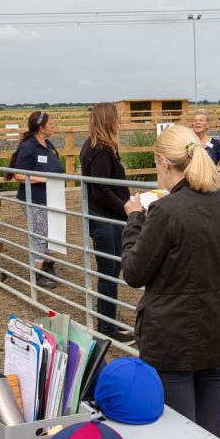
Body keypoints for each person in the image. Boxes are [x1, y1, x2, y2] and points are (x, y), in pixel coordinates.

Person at [121, 124, 220, 439]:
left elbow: (133, 272)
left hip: (171, 340)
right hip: (218, 331)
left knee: (180, 437)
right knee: (213, 432)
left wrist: (134, 219)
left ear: (164, 163)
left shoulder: (165, 211)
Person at [79, 103, 134, 342]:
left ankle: (107, 322)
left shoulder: (92, 146)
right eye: (117, 118)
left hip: (103, 217)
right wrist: (125, 207)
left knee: (109, 272)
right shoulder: (101, 150)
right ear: (109, 121)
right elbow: (101, 189)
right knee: (110, 273)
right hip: (107, 220)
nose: (119, 122)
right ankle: (107, 328)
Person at [7, 110, 64, 289]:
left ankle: (48, 265)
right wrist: (42, 179)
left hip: (52, 196)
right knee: (40, 232)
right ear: (41, 128)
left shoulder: (48, 145)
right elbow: (18, 175)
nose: (53, 126)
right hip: (34, 198)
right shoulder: (28, 147)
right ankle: (37, 272)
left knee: (53, 232)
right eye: (50, 124)